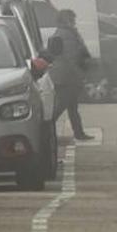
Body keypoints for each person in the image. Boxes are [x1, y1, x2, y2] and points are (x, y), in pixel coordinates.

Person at [44, 9, 93, 142]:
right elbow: (72, 57)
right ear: (66, 20)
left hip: (65, 75)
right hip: (66, 76)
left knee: (72, 106)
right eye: (72, 19)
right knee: (61, 106)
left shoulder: (65, 33)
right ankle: (44, 130)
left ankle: (79, 133)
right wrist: (80, 74)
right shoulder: (66, 35)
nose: (74, 22)